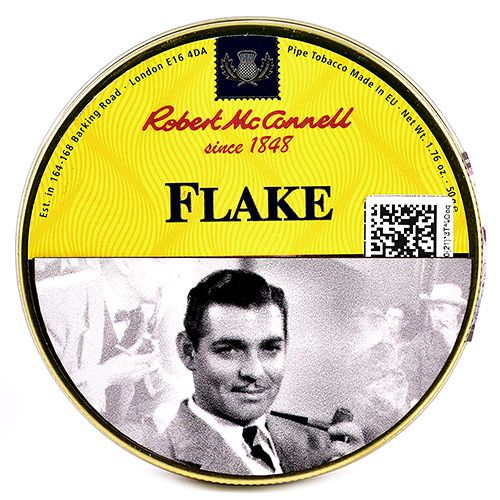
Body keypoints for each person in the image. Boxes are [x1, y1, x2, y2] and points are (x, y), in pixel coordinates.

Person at [150, 269, 364, 475]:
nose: (254, 371)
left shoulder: (324, 447)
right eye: (228, 350)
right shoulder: (158, 454)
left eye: (270, 348)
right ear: (188, 352)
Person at [36, 258, 182, 443]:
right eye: (161, 261)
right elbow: (38, 407)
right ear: (124, 262)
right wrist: (105, 376)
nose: (172, 274)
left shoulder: (139, 318)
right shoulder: (49, 303)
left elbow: (150, 391)